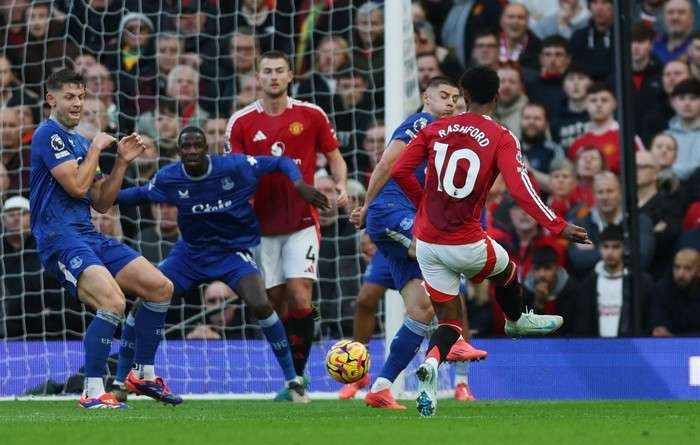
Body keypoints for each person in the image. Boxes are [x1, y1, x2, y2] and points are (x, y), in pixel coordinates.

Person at [391, 67, 589, 417]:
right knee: (508, 269)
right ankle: (518, 319)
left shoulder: (434, 128)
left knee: (450, 322)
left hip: (427, 245)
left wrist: (424, 203)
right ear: (497, 97)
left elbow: (399, 171)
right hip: (464, 241)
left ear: (463, 95)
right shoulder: (500, 136)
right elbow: (520, 190)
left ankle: (431, 367)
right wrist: (557, 225)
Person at [114, 126, 329, 403]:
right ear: (179, 152)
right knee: (144, 302)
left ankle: (293, 381)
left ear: (207, 148)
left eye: (197, 145)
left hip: (232, 253)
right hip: (189, 255)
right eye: (186, 147)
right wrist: (97, 195)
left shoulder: (234, 167)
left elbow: (280, 161)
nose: (192, 151)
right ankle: (120, 381)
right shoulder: (170, 177)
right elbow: (138, 195)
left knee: (262, 304)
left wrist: (298, 183)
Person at [29, 69, 176, 409]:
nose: (77, 103)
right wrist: (96, 146)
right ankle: (93, 392)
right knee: (112, 302)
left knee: (159, 287)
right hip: (59, 238)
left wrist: (121, 163)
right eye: (69, 96)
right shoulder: (48, 135)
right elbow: (77, 187)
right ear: (51, 99)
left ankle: (143, 375)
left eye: (81, 96)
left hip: (87, 234)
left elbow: (101, 201)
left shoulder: (80, 142)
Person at [346, 76, 486, 409]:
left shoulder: (443, 138)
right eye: (444, 95)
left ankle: (380, 388)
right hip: (393, 214)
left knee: (421, 311)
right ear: (426, 97)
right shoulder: (421, 122)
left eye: (455, 97)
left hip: (404, 220)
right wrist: (367, 207)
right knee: (447, 257)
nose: (451, 102)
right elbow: (386, 163)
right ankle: (455, 344)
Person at [226, 50, 348, 401]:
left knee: (299, 295)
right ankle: (290, 376)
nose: (274, 77)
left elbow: (335, 156)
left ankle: (297, 380)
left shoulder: (311, 115)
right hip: (260, 227)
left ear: (290, 75)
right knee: (274, 306)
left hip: (301, 222)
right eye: (268, 71)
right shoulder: (242, 122)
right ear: (257, 76)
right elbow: (235, 172)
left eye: (280, 71)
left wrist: (340, 185)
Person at [567, 171, 656, 277]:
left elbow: (642, 257)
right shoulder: (580, 224)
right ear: (594, 196)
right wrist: (624, 251)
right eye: (600, 192)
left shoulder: (639, 221)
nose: (605, 197)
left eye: (610, 191)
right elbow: (578, 260)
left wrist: (596, 252)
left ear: (620, 193)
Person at [578, 225, 654, 336]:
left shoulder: (640, 282)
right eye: (606, 246)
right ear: (599, 249)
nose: (610, 252)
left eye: (616, 247)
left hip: (630, 348)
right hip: (596, 348)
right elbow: (582, 323)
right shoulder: (588, 283)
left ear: (624, 248)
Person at [568, 82, 644, 175]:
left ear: (615, 104)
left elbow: (642, 171)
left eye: (604, 100)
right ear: (585, 105)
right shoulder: (577, 143)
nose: (598, 104)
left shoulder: (627, 138)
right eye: (593, 100)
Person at [522, 245, 580, 336]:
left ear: (557, 268)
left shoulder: (572, 289)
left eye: (547, 268)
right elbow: (526, 334)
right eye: (537, 269)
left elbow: (577, 329)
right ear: (531, 270)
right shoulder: (523, 292)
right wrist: (538, 304)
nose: (542, 274)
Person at [650, 248, 700, 336]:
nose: (680, 274)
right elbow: (658, 328)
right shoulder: (661, 290)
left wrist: (675, 337)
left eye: (687, 268)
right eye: (677, 267)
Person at [570, 0, 615, 81]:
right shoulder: (579, 36)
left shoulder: (623, 35)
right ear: (589, 7)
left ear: (614, 6)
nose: (599, 8)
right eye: (594, 2)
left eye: (604, 2)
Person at [668, 79, 700, 180]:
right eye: (681, 98)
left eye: (693, 98)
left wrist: (672, 170)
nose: (687, 103)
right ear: (672, 102)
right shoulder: (665, 136)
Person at [652, 0, 695, 65]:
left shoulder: (697, 47)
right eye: (670, 12)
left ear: (691, 18)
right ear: (664, 18)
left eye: (681, 12)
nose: (675, 17)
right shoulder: (654, 45)